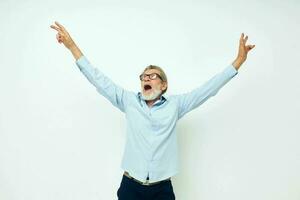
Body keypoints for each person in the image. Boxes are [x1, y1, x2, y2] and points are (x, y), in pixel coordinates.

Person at [50, 21, 255, 200]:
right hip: (130, 187)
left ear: (164, 85)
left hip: (162, 190)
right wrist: (71, 46)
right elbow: (97, 78)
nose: (146, 79)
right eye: (143, 77)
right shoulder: (128, 101)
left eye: (152, 76)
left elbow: (208, 89)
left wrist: (238, 62)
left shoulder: (176, 105)